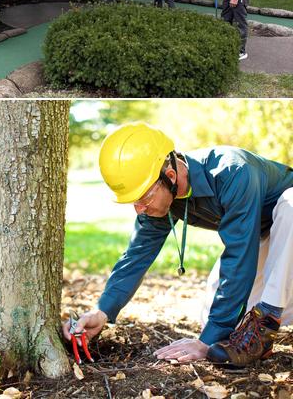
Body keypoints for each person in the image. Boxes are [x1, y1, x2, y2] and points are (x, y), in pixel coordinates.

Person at [63, 123, 293, 368]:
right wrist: (102, 311)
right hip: (266, 236)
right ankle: (260, 329)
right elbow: (136, 254)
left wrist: (205, 343)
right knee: (216, 322)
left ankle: (265, 324)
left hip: (287, 229)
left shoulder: (232, 171)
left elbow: (240, 256)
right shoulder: (163, 197)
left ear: (170, 176)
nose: (139, 209)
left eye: (142, 198)